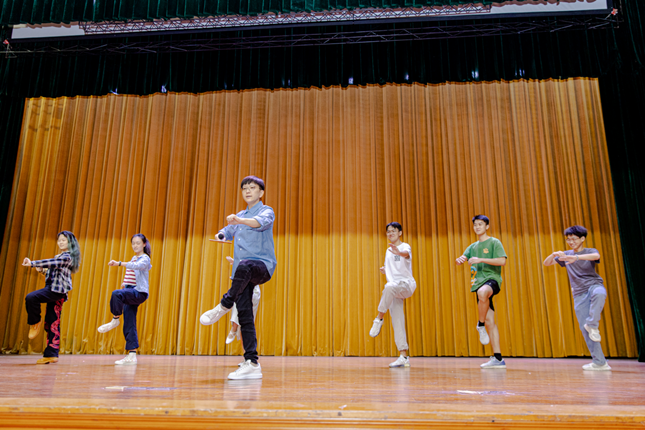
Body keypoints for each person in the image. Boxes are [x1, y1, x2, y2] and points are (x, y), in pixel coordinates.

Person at [200, 175, 276, 380]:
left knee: (245, 265)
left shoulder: (266, 211)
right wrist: (221, 235)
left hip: (262, 266)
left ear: (261, 192)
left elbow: (259, 223)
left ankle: (223, 305)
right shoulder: (240, 215)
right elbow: (227, 231)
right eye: (244, 188)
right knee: (245, 316)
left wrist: (239, 220)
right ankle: (252, 363)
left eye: (252, 188)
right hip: (241, 274)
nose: (248, 191)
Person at [543, 225, 611, 371]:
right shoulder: (566, 255)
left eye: (574, 239)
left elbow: (596, 256)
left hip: (593, 285)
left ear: (582, 239)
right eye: (568, 239)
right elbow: (546, 263)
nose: (571, 242)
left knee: (600, 293)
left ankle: (592, 324)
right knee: (585, 330)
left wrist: (576, 257)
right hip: (579, 294)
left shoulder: (589, 251)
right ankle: (600, 362)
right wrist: (554, 254)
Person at [456, 215, 507, 369]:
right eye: (475, 225)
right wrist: (460, 259)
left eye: (480, 224)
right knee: (491, 321)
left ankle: (480, 324)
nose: (477, 227)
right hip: (477, 283)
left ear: (487, 226)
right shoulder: (472, 247)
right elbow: (464, 257)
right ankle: (498, 359)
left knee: (483, 292)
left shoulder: (494, 242)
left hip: (492, 280)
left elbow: (502, 261)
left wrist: (481, 260)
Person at [23, 231, 82, 364]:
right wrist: (42, 270)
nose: (60, 242)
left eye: (63, 240)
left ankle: (35, 322)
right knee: (52, 322)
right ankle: (51, 354)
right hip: (54, 290)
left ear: (70, 243)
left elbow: (54, 262)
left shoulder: (67, 257)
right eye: (59, 240)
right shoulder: (60, 257)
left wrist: (33, 263)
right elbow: (53, 273)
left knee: (31, 297)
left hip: (57, 291)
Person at [97, 234, 152, 365]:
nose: (135, 246)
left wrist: (119, 263)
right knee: (129, 321)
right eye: (133, 243)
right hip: (130, 290)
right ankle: (132, 355)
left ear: (144, 244)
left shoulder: (145, 258)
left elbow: (137, 266)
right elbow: (131, 273)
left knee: (116, 294)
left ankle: (115, 319)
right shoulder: (134, 258)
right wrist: (125, 284)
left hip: (138, 292)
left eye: (138, 243)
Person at [369, 222, 417, 367]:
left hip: (406, 285)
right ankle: (404, 356)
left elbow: (405, 254)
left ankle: (378, 319)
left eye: (393, 231)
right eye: (388, 232)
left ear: (400, 233)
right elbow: (394, 269)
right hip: (394, 289)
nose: (390, 234)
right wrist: (386, 270)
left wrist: (399, 253)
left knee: (389, 286)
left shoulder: (404, 246)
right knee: (397, 320)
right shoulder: (388, 251)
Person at [225, 256, 261, 356]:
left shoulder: (255, 264)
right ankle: (246, 355)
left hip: (253, 293)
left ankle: (233, 329)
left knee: (246, 322)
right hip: (242, 290)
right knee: (243, 324)